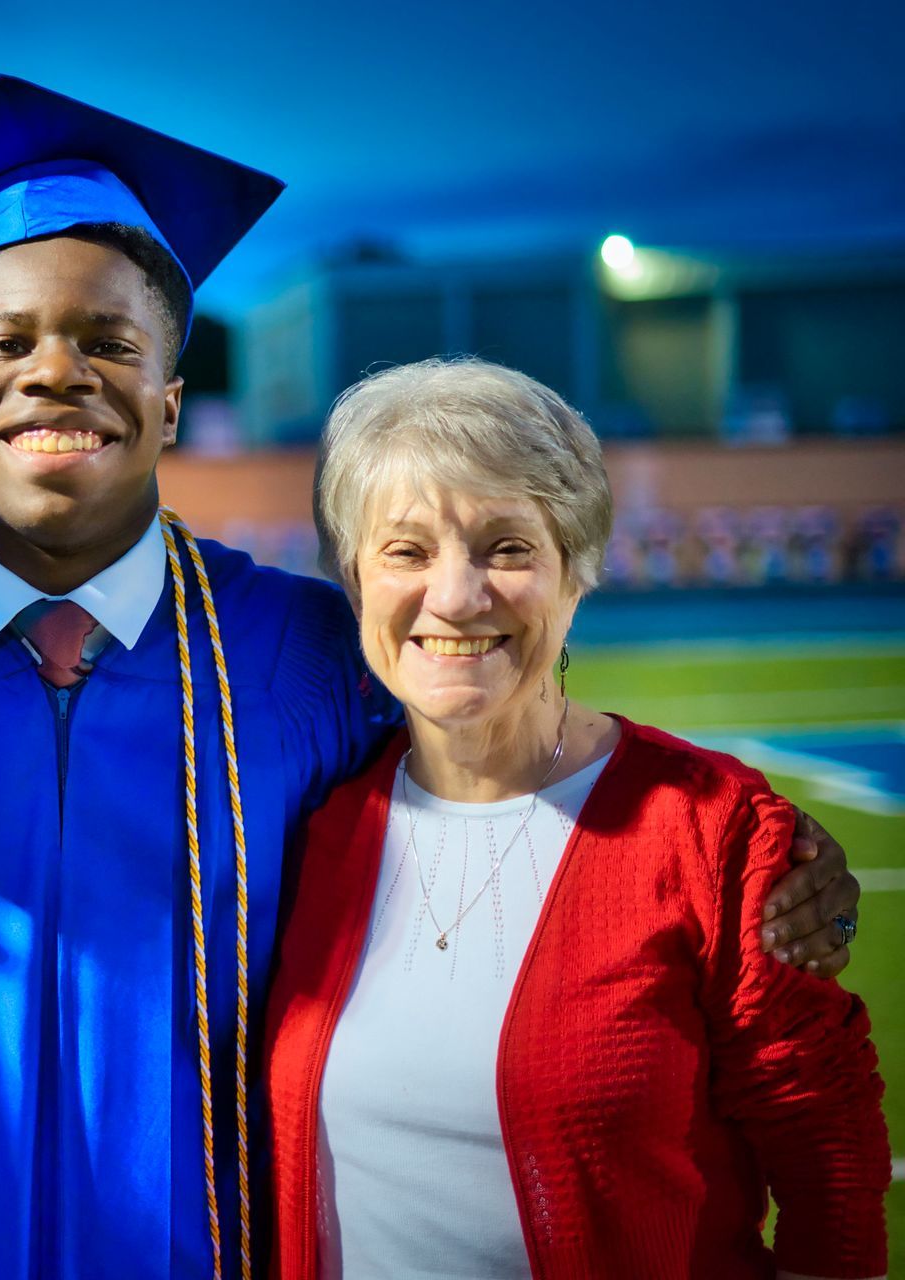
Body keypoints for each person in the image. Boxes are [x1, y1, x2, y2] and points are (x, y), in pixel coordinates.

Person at [0, 78, 860, 1280]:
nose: (56, 374)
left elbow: (496, 756)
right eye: (7, 344)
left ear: (172, 400)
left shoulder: (302, 652)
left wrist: (772, 861)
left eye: (113, 343)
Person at [264, 358, 889, 1280]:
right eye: (406, 550)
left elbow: (826, 1149)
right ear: (353, 580)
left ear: (579, 570)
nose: (456, 595)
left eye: (508, 547)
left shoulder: (711, 829)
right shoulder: (312, 825)